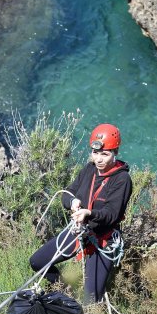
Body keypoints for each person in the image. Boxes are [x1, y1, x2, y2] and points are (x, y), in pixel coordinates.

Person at [29, 123, 133, 303]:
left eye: (105, 154)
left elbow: (111, 214)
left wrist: (89, 213)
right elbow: (68, 193)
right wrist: (72, 202)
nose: (99, 159)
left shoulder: (122, 179)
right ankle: (65, 292)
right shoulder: (89, 170)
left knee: (90, 300)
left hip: (102, 241)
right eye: (95, 153)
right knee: (38, 262)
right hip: (79, 232)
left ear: (115, 153)